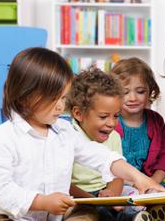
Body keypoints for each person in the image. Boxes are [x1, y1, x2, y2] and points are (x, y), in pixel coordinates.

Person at [0, 47, 165, 221]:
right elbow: (1, 189)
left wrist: (138, 177)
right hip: (14, 216)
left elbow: (101, 156)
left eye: (63, 98)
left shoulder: (64, 131)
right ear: (25, 97)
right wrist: (41, 202)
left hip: (57, 216)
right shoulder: (3, 138)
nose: (61, 106)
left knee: (87, 214)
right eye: (54, 98)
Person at [65, 67, 153, 221]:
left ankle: (140, 215)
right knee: (89, 214)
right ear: (79, 114)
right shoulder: (66, 137)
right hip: (77, 196)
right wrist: (96, 202)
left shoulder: (114, 137)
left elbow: (117, 176)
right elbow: (62, 181)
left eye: (116, 116)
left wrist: (112, 193)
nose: (112, 123)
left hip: (106, 193)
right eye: (104, 116)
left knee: (137, 199)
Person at [110, 57, 165, 220]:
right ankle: (135, 216)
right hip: (120, 184)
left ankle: (156, 213)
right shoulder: (110, 122)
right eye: (125, 92)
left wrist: (153, 181)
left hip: (151, 181)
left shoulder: (156, 120)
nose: (133, 98)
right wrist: (130, 183)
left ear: (150, 91)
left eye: (140, 91)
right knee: (118, 205)